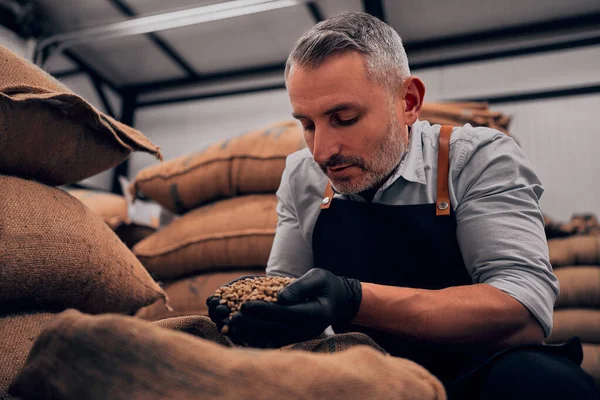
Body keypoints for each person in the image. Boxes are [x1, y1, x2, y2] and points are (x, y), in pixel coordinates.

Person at [208, 11, 599, 399]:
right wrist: (264, 314)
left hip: (477, 373)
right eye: (307, 124)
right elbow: (287, 288)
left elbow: (523, 310)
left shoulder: (474, 160)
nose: (321, 151)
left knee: (546, 385)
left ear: (408, 102)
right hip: (365, 374)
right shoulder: (301, 175)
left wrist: (354, 300)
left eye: (344, 118)